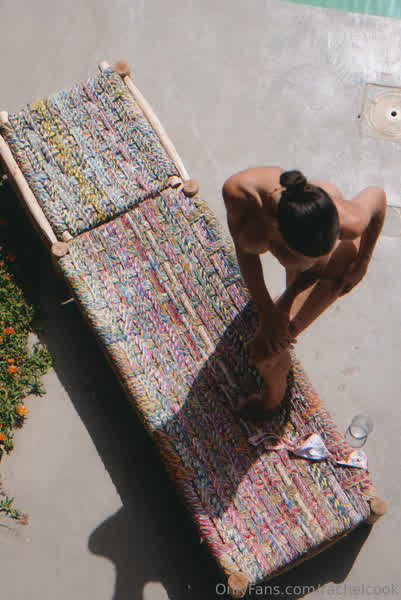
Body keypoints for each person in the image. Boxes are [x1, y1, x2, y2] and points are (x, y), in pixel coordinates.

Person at [222, 167, 386, 419]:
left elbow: (376, 196)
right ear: (277, 236)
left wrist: (363, 260)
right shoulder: (241, 195)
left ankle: (274, 398)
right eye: (308, 260)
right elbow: (245, 253)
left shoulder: (348, 221)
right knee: (275, 325)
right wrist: (266, 311)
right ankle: (286, 301)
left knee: (266, 352)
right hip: (293, 245)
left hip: (334, 269)